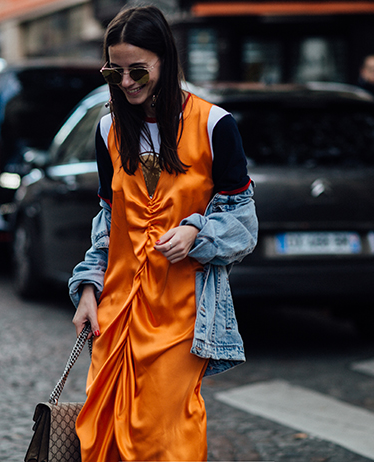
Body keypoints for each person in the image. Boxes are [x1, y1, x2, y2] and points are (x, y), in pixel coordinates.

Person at [67, 6, 258, 461]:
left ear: (165, 62)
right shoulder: (108, 129)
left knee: (162, 436)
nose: (127, 82)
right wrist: (89, 287)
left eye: (138, 70)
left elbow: (244, 224)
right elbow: (109, 225)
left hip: (181, 315)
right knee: (102, 433)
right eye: (116, 71)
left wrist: (196, 231)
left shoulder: (215, 125)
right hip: (117, 313)